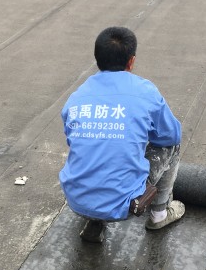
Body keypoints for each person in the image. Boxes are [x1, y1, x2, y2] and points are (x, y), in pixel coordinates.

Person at [59, 26, 185, 243]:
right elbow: (171, 135)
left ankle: (94, 222)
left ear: (97, 59)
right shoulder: (145, 91)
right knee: (171, 146)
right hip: (126, 205)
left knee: (96, 148)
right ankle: (159, 215)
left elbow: (76, 140)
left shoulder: (77, 97)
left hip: (76, 201)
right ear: (131, 61)